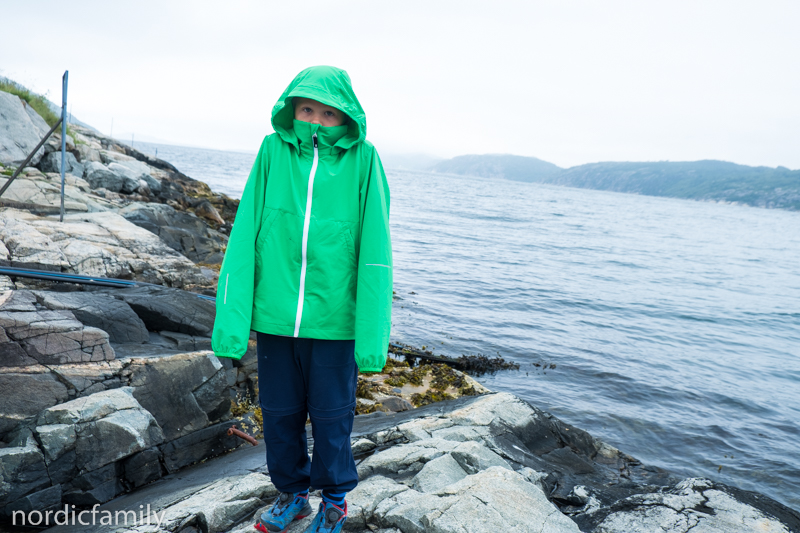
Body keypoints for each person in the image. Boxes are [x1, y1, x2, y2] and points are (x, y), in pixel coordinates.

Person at [211, 65, 392, 533]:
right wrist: (232, 326)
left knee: (333, 420)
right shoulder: (272, 151)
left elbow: (376, 253)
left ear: (347, 117)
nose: (315, 121)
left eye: (329, 114)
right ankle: (292, 496)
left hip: (335, 323)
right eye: (307, 109)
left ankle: (334, 502)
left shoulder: (365, 160)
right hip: (275, 319)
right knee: (278, 417)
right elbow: (244, 233)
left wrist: (372, 340)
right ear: (291, 109)